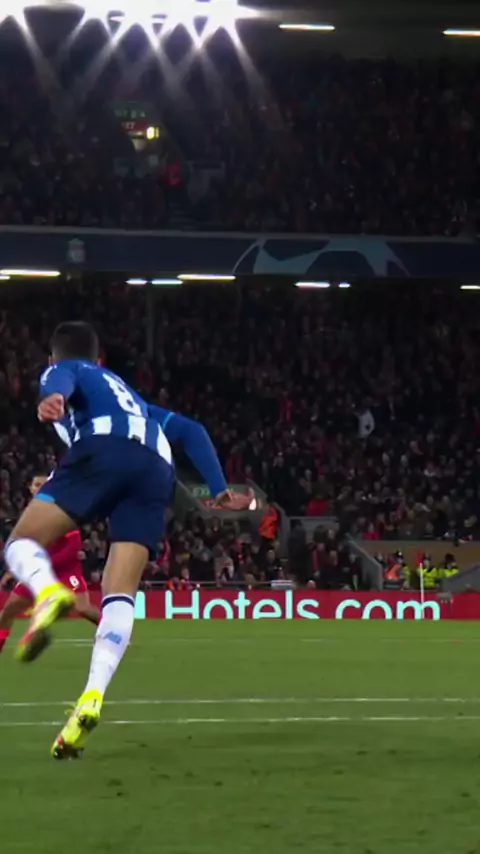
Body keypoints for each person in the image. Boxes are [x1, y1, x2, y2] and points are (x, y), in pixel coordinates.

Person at [3, 320, 251, 760]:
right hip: (156, 467)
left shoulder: (65, 369)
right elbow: (192, 431)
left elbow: (62, 379)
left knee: (20, 545)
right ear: (101, 359)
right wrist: (217, 488)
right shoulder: (131, 398)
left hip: (105, 450)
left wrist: (51, 396)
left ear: (54, 356)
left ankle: (49, 592)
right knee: (120, 592)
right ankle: (92, 696)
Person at [0, 472, 100, 651]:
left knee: (83, 608)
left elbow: (72, 546)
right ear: (30, 488)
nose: (39, 488)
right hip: (38, 568)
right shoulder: (28, 513)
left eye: (43, 484)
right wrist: (14, 570)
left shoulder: (60, 509)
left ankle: (112, 633)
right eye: (36, 485)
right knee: (8, 610)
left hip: (65, 570)